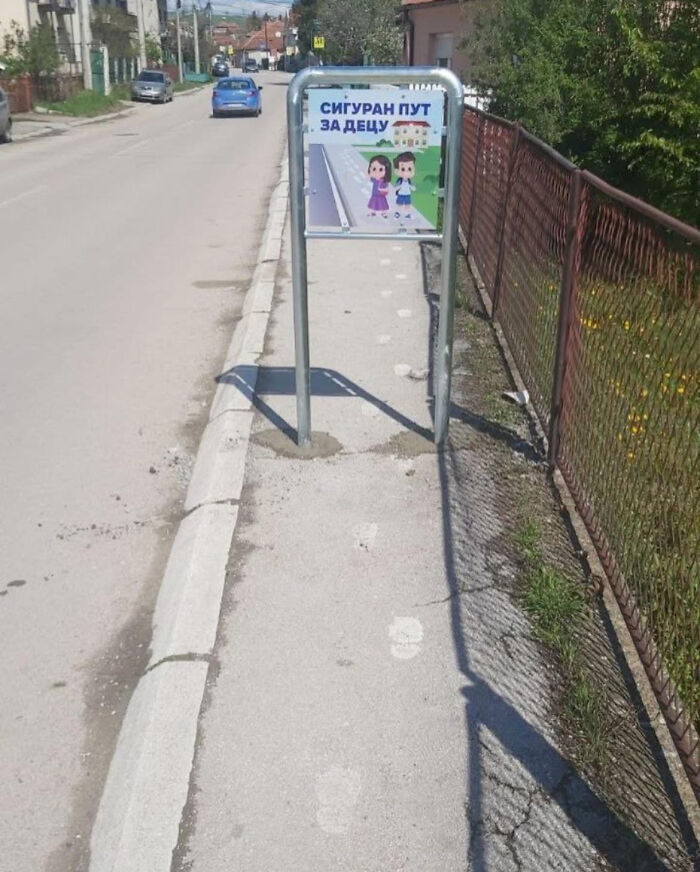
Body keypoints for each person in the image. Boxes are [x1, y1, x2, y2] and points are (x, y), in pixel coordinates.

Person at [393, 151, 417, 219]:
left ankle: (407, 214)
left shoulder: (409, 181)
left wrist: (411, 186)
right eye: (403, 169)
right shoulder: (399, 180)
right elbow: (395, 188)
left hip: (407, 194)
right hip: (401, 194)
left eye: (409, 169)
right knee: (399, 204)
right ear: (397, 170)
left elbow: (413, 188)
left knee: (407, 205)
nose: (406, 172)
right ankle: (397, 213)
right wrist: (399, 186)